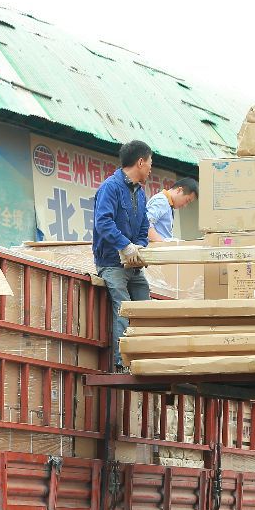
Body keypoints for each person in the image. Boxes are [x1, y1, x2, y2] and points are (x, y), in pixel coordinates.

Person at [93, 140, 153, 372]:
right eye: (149, 163)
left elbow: (143, 227)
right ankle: (122, 363)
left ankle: (143, 360)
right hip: (111, 263)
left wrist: (138, 247)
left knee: (145, 309)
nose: (150, 168)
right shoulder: (111, 187)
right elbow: (103, 222)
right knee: (124, 307)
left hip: (132, 265)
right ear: (140, 162)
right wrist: (124, 246)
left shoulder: (140, 194)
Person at [146, 177, 199, 243]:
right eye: (187, 200)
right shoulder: (161, 201)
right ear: (179, 190)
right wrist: (162, 243)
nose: (185, 205)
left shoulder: (168, 204)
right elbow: (147, 223)